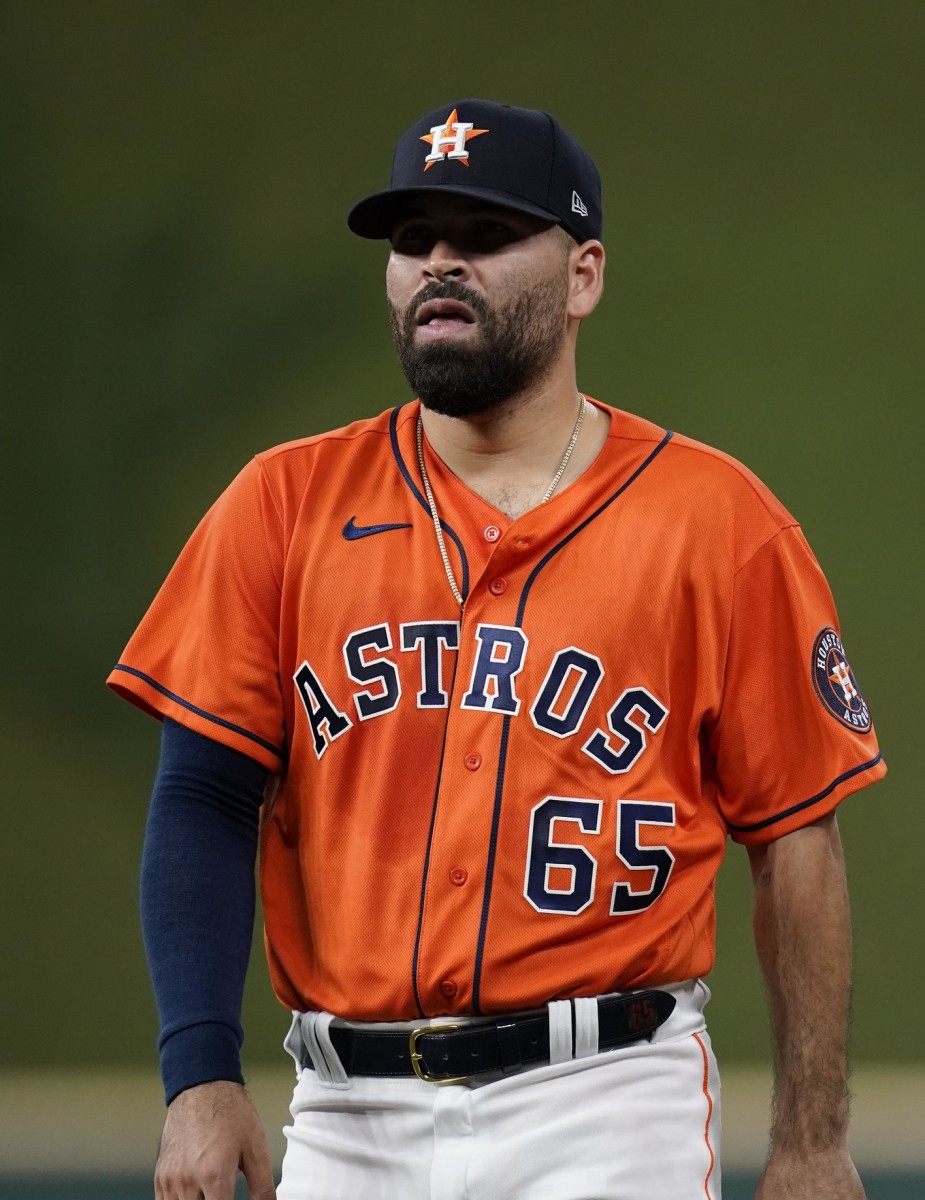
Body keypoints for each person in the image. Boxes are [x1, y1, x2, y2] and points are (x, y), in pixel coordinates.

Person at [108, 99, 885, 1200]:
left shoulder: (718, 523)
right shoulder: (282, 504)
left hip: (607, 1103)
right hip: (344, 1109)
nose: (438, 263)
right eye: (413, 238)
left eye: (482, 236)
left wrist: (812, 1138)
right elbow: (203, 798)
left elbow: (799, 837)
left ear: (583, 277)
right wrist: (197, 1075)